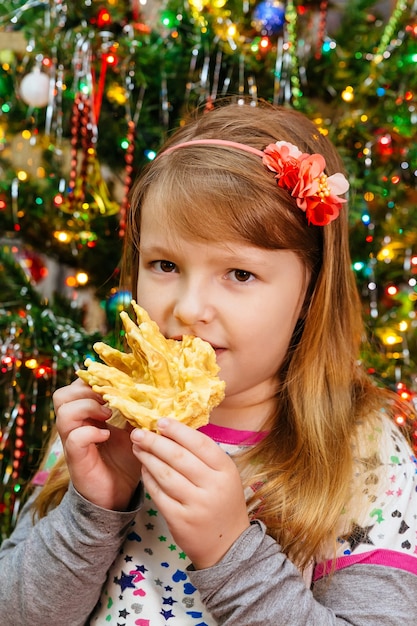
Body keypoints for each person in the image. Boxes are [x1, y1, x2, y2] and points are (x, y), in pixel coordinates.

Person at [1, 100, 417, 626]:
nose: (189, 309)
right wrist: (92, 508)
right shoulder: (99, 422)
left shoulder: (365, 455)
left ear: (310, 292)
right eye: (166, 265)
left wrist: (231, 553)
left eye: (239, 274)